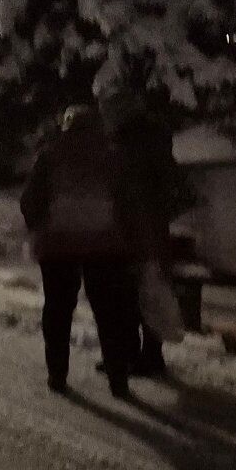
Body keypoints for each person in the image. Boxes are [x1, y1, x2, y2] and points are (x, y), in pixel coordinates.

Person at [20, 105, 144, 397]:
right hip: (104, 247)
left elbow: (29, 202)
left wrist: (40, 225)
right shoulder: (112, 159)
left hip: (58, 247)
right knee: (109, 314)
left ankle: (58, 376)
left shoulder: (50, 157)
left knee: (58, 311)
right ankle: (118, 379)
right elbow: (128, 204)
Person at [107, 101, 186, 377]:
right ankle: (151, 356)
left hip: (128, 235)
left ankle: (129, 355)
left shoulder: (124, 152)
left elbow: (114, 195)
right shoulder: (160, 151)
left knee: (125, 297)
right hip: (154, 234)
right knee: (150, 293)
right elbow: (180, 192)